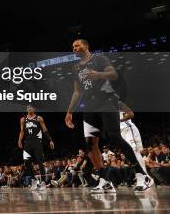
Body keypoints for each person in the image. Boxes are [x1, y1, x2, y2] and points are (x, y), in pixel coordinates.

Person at [65, 39, 153, 193]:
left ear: (86, 46)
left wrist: (98, 74)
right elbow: (77, 91)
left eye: (77, 45)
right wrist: (69, 112)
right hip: (90, 107)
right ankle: (105, 180)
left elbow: (113, 75)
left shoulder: (98, 58)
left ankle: (142, 175)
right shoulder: (76, 67)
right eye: (72, 47)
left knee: (114, 137)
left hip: (106, 100)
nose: (74, 48)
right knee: (90, 145)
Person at [18, 105, 54, 191]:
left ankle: (43, 183)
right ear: (26, 109)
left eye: (31, 107)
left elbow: (45, 130)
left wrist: (50, 140)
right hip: (27, 142)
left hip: (37, 142)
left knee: (40, 161)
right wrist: (19, 140)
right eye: (28, 107)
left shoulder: (39, 118)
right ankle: (34, 181)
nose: (29, 109)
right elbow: (22, 131)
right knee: (26, 162)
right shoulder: (23, 119)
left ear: (34, 109)